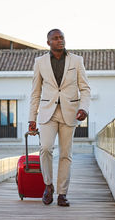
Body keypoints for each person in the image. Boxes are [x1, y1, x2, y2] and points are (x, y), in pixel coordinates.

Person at [28, 29, 91, 206]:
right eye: (55, 38)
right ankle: (48, 185)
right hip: (48, 112)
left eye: (61, 37)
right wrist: (32, 118)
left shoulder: (76, 61)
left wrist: (84, 108)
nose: (59, 40)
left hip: (70, 112)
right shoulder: (39, 62)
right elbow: (35, 92)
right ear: (48, 42)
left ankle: (62, 193)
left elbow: (85, 88)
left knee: (65, 154)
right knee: (46, 148)